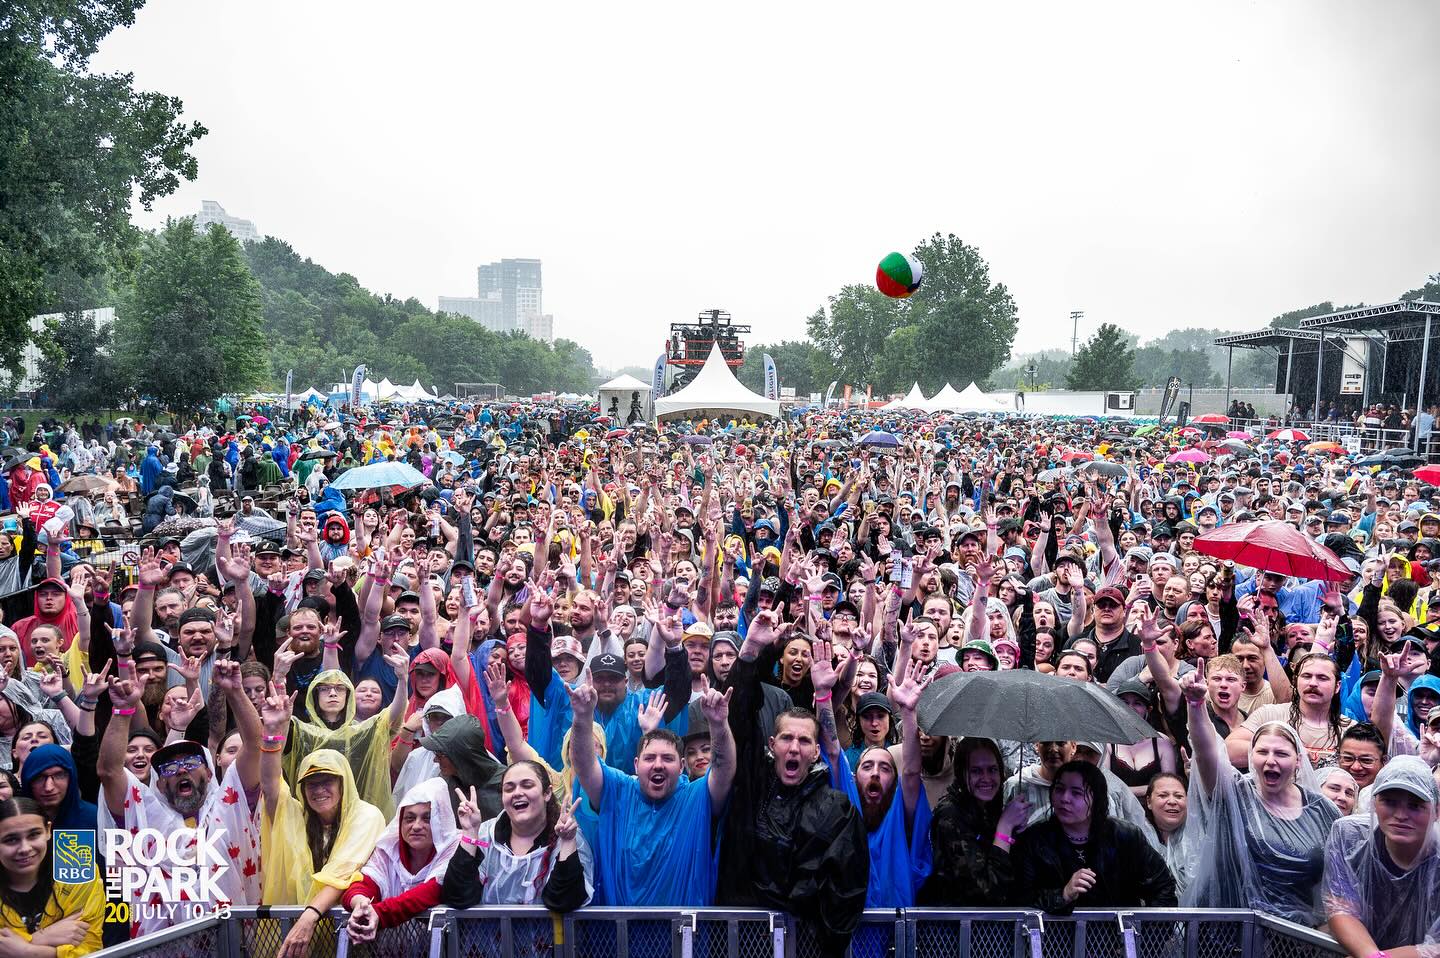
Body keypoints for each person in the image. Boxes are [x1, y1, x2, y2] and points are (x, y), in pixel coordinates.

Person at [716, 610, 869, 955]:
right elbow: (739, 716)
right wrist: (751, 652)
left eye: (803, 742)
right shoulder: (753, 789)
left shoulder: (837, 810)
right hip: (744, 943)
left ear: (816, 752)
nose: (794, 747)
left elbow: (846, 890)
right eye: (786, 739)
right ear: (772, 745)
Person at [96, 659, 264, 933]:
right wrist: (122, 710)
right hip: (161, 947)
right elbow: (108, 771)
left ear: (210, 773)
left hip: (229, 944)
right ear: (160, 783)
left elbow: (254, 746)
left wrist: (235, 692)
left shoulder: (228, 806)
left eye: (190, 764)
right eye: (171, 768)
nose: (181, 771)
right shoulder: (147, 812)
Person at [1182, 660, 1341, 925]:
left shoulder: (1322, 809)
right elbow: (1207, 751)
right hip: (1229, 935)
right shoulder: (1233, 794)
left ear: (1299, 761)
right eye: (1262, 752)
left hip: (1295, 939)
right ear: (1250, 756)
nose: (1270, 761)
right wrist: (1196, 706)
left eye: (1281, 753)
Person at [565, 668, 733, 905]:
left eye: (667, 758)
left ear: (682, 765)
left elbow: (724, 769)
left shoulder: (695, 797)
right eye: (649, 758)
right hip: (620, 936)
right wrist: (582, 718)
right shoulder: (618, 791)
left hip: (680, 936)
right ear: (636, 764)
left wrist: (719, 724)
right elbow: (583, 764)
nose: (658, 765)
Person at [258, 682, 386, 958]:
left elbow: (342, 873)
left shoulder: (366, 816)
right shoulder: (295, 815)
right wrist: (271, 732)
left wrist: (310, 915)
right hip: (294, 935)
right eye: (311, 783)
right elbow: (270, 785)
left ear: (344, 784)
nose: (319, 790)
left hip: (352, 939)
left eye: (327, 781)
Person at [1011, 760, 1177, 912]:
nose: (1064, 799)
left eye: (1076, 793)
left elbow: (1163, 887)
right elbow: (1019, 900)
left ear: (1097, 798)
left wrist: (1146, 939)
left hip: (1117, 940)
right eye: (1059, 789)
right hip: (1056, 940)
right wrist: (1063, 895)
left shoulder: (1126, 836)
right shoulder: (1034, 840)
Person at [1323, 756, 1440, 957]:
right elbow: (1341, 908)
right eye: (1389, 802)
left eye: (1415, 805)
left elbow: (1436, 946)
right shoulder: (1349, 836)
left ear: (1436, 811)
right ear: (1374, 803)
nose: (1401, 815)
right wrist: (1372, 955)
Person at [439, 765, 593, 912]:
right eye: (509, 788)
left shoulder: (569, 835)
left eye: (527, 785)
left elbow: (564, 901)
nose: (517, 793)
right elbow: (457, 897)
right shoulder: (484, 834)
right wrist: (471, 833)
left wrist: (566, 843)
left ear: (547, 793)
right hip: (488, 938)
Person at [342, 778, 461, 942]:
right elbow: (364, 884)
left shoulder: (455, 845)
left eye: (427, 818)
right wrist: (361, 905)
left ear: (440, 822)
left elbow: (432, 891)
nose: (417, 826)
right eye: (410, 818)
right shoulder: (388, 847)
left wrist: (380, 913)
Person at [920, 736, 1030, 906]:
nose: (986, 778)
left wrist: (1016, 833)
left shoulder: (990, 808)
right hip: (953, 926)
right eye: (976, 771)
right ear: (961, 772)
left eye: (992, 769)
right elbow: (986, 893)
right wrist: (1005, 828)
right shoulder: (950, 815)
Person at [0, 797, 104, 957]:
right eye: (11, 840)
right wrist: (44, 937)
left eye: (34, 835)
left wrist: (27, 951)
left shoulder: (78, 867)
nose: (25, 848)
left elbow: (91, 947)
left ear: (48, 830)